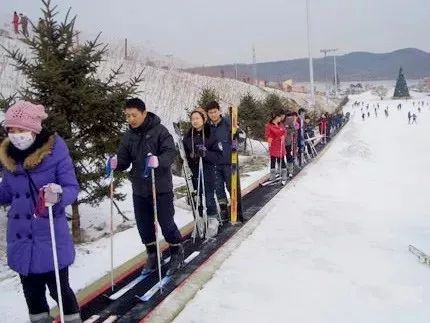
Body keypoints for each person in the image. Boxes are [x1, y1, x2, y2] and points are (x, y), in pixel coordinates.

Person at [0, 101, 81, 323]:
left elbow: (72, 187)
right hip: (21, 240)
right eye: (11, 130)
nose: (16, 135)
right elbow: (7, 193)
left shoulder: (56, 153)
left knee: (60, 292)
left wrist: (60, 194)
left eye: (22, 130)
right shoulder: (8, 157)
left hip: (50, 238)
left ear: (35, 130)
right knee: (33, 296)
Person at [114, 98, 183, 275]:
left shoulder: (160, 131)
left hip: (160, 187)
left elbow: (170, 152)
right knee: (144, 225)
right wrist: (116, 163)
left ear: (144, 113)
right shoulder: (129, 135)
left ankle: (176, 250)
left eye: (134, 115)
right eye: (127, 116)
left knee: (166, 224)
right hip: (139, 187)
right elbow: (124, 159)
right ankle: (153, 254)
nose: (130, 119)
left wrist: (159, 160)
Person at [183, 107, 222, 237]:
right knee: (197, 196)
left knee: (208, 194)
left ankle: (212, 218)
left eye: (197, 118)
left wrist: (205, 153)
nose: (195, 121)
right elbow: (184, 155)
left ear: (203, 119)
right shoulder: (188, 136)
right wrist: (186, 163)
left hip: (208, 169)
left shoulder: (211, 134)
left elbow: (218, 155)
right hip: (194, 170)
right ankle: (199, 217)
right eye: (192, 119)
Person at [205, 101, 231, 221]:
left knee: (231, 185)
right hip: (214, 163)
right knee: (219, 188)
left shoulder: (228, 123)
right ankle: (224, 210)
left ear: (219, 111)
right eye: (210, 112)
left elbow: (240, 138)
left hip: (229, 161)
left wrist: (237, 137)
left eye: (215, 111)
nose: (213, 114)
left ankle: (236, 207)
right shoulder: (207, 127)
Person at [265, 110, 287, 183]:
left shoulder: (281, 124)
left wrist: (283, 136)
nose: (280, 119)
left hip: (280, 144)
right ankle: (272, 175)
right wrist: (269, 143)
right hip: (274, 145)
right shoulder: (269, 125)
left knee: (282, 159)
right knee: (273, 160)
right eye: (279, 117)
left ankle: (284, 174)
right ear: (276, 117)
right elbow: (268, 135)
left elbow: (284, 131)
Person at [284, 112, 297, 177]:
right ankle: (283, 170)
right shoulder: (279, 121)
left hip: (287, 141)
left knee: (288, 155)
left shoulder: (289, 120)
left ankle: (290, 170)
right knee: (280, 157)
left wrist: (286, 131)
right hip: (280, 142)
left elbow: (293, 129)